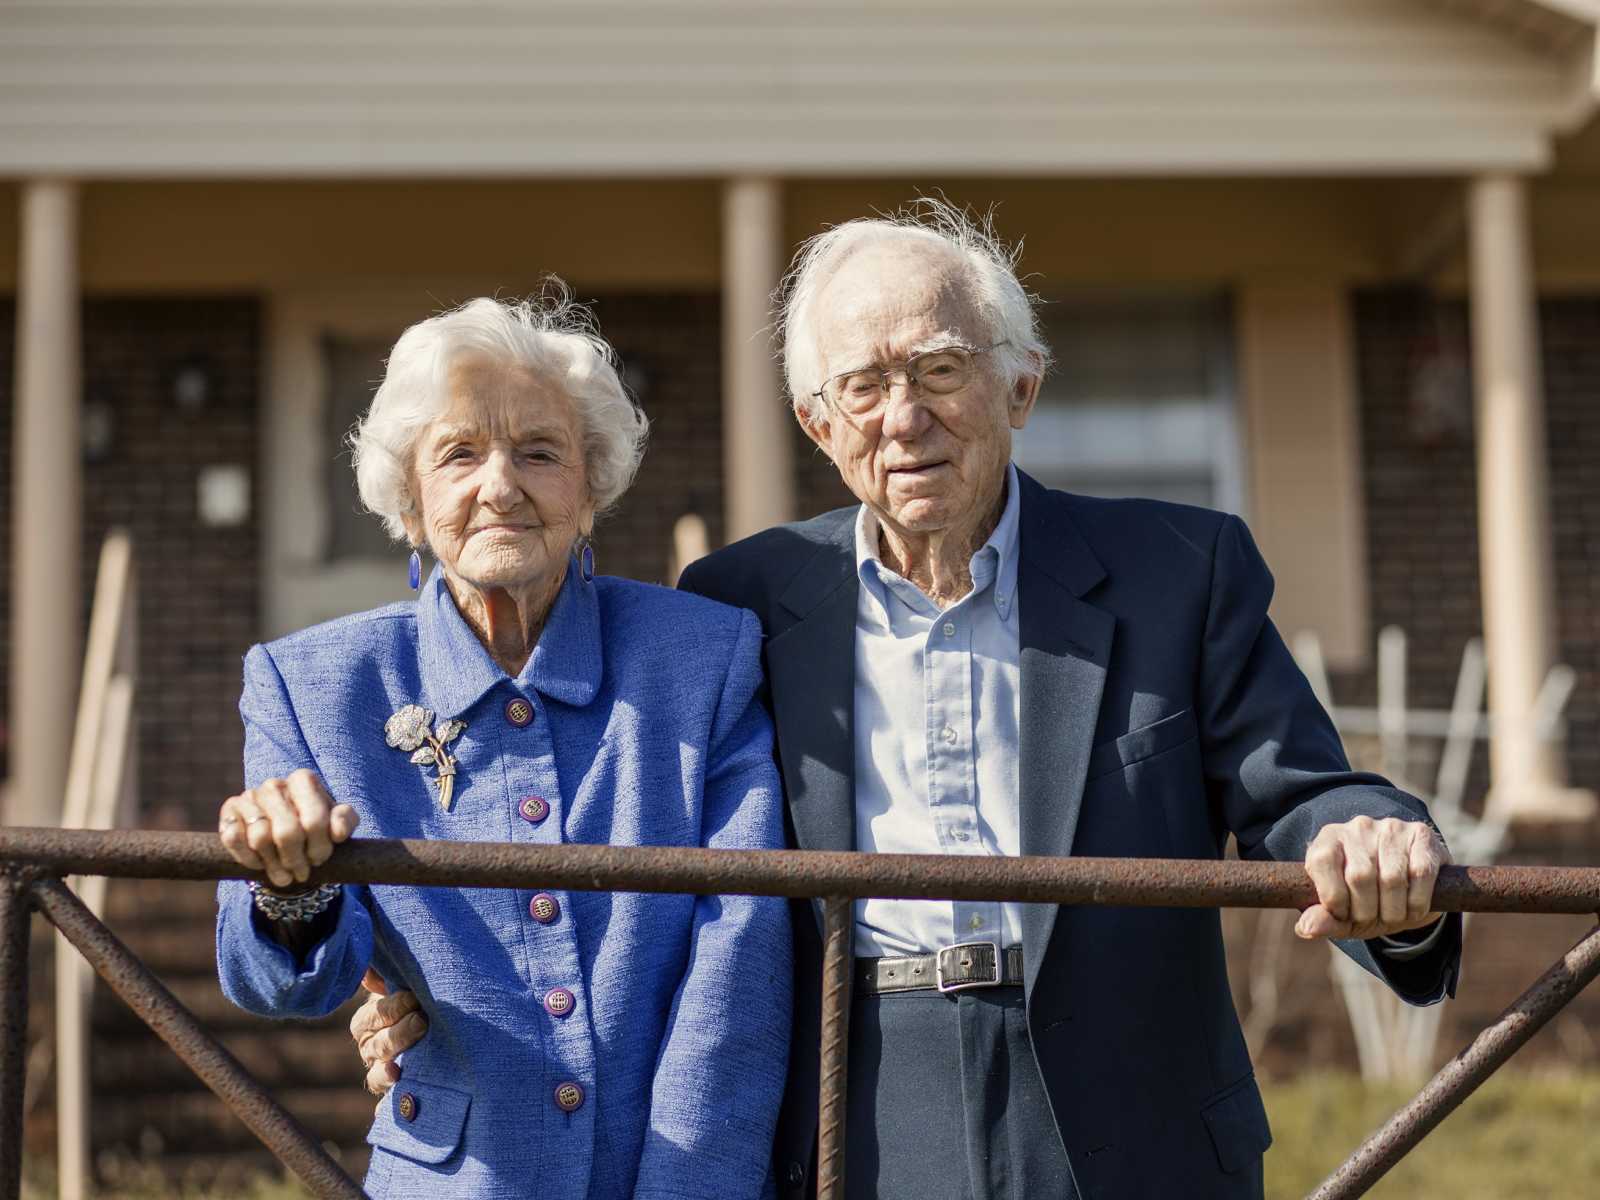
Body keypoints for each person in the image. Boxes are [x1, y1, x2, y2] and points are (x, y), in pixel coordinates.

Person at [352, 205, 1463, 1200]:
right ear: (815, 423)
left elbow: (1301, 793)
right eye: (863, 387)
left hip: (1131, 1111)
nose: (903, 417)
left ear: (1019, 384)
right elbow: (625, 848)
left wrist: (1375, 849)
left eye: (937, 370)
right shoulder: (737, 605)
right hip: (850, 1098)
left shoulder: (1180, 569)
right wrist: (417, 995)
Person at [214, 290, 792, 1200]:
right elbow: (283, 987)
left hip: (675, 1168)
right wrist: (292, 888)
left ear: (590, 488)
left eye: (539, 452)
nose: (500, 485)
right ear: (410, 500)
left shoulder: (702, 656)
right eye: (458, 455)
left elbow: (741, 948)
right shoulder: (313, 684)